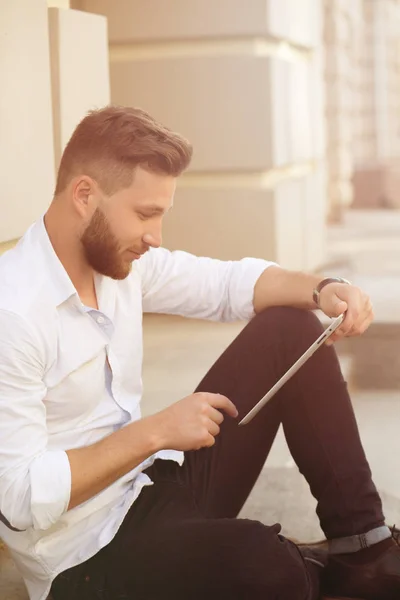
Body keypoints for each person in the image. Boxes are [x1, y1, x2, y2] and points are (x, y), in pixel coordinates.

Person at [0, 106, 398, 600]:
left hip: (149, 490)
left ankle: (365, 549)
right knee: (268, 566)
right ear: (85, 194)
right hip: (84, 560)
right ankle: (316, 571)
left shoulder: (120, 264)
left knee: (291, 326)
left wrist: (323, 288)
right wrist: (155, 432)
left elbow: (226, 283)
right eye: (146, 214)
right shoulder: (13, 313)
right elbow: (18, 499)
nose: (155, 236)